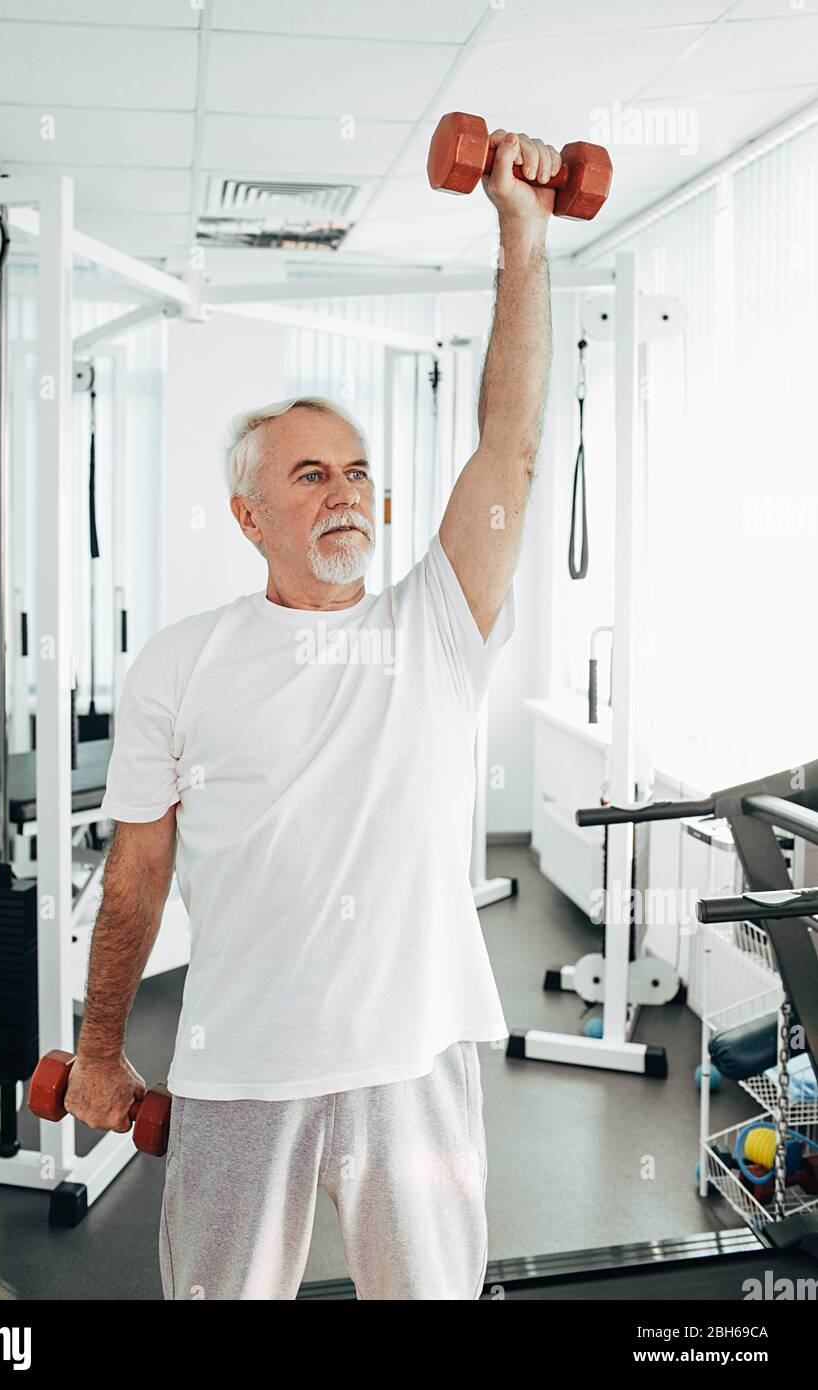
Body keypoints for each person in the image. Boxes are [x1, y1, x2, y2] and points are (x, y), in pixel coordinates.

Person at [68, 129, 557, 1300]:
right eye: (307, 475)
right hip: (239, 1070)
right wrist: (96, 1049)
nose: (343, 493)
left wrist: (521, 238)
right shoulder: (180, 665)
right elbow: (133, 881)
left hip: (413, 1068)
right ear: (247, 517)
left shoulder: (432, 626)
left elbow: (511, 444)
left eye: (354, 473)